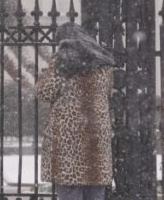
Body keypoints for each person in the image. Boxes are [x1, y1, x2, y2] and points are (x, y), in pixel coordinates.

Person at [37, 23, 115, 200]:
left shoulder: (62, 62)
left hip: (68, 138)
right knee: (95, 191)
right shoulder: (103, 63)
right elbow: (107, 92)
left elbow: (44, 91)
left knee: (70, 188)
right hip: (96, 135)